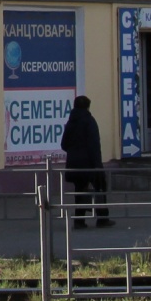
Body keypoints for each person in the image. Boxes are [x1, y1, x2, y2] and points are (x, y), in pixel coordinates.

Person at [61, 96, 112, 228]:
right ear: (87, 107)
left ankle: (79, 220)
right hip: (89, 163)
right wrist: (98, 166)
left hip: (74, 164)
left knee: (80, 190)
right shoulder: (89, 122)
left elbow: (64, 144)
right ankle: (102, 218)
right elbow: (94, 145)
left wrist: (74, 153)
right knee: (100, 188)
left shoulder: (71, 123)